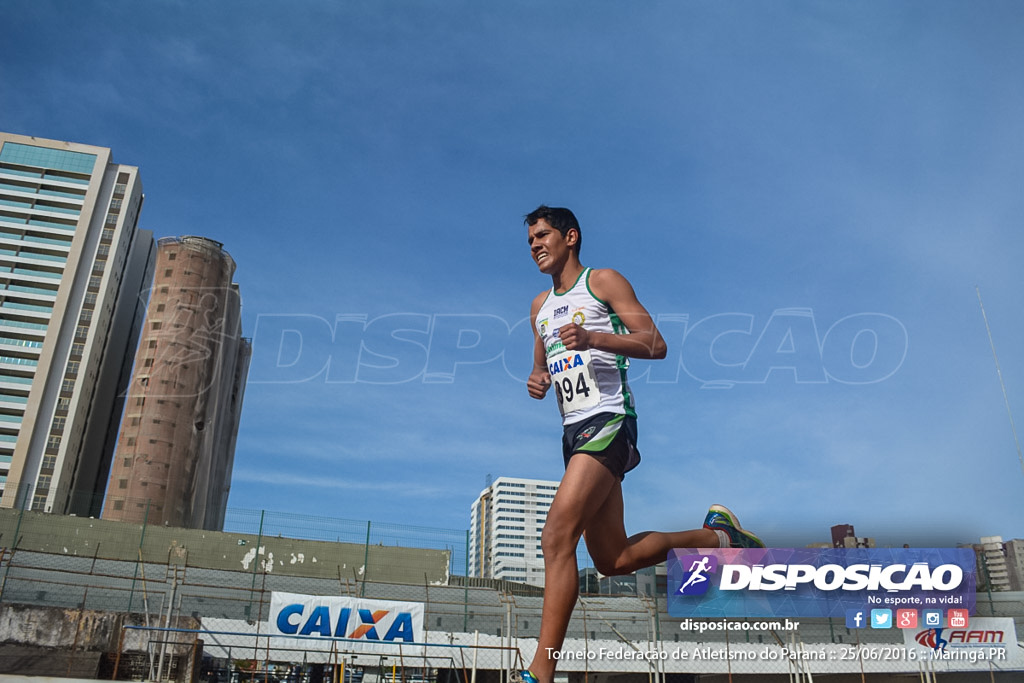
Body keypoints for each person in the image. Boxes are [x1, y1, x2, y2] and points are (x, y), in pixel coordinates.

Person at [519, 206, 764, 683]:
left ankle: (540, 674)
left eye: (543, 235)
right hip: (574, 435)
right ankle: (718, 537)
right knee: (613, 561)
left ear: (571, 237)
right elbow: (543, 357)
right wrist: (538, 376)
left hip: (609, 422)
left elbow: (654, 342)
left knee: (556, 537)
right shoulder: (538, 307)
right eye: (529, 239)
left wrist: (594, 336)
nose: (534, 245)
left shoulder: (603, 282)